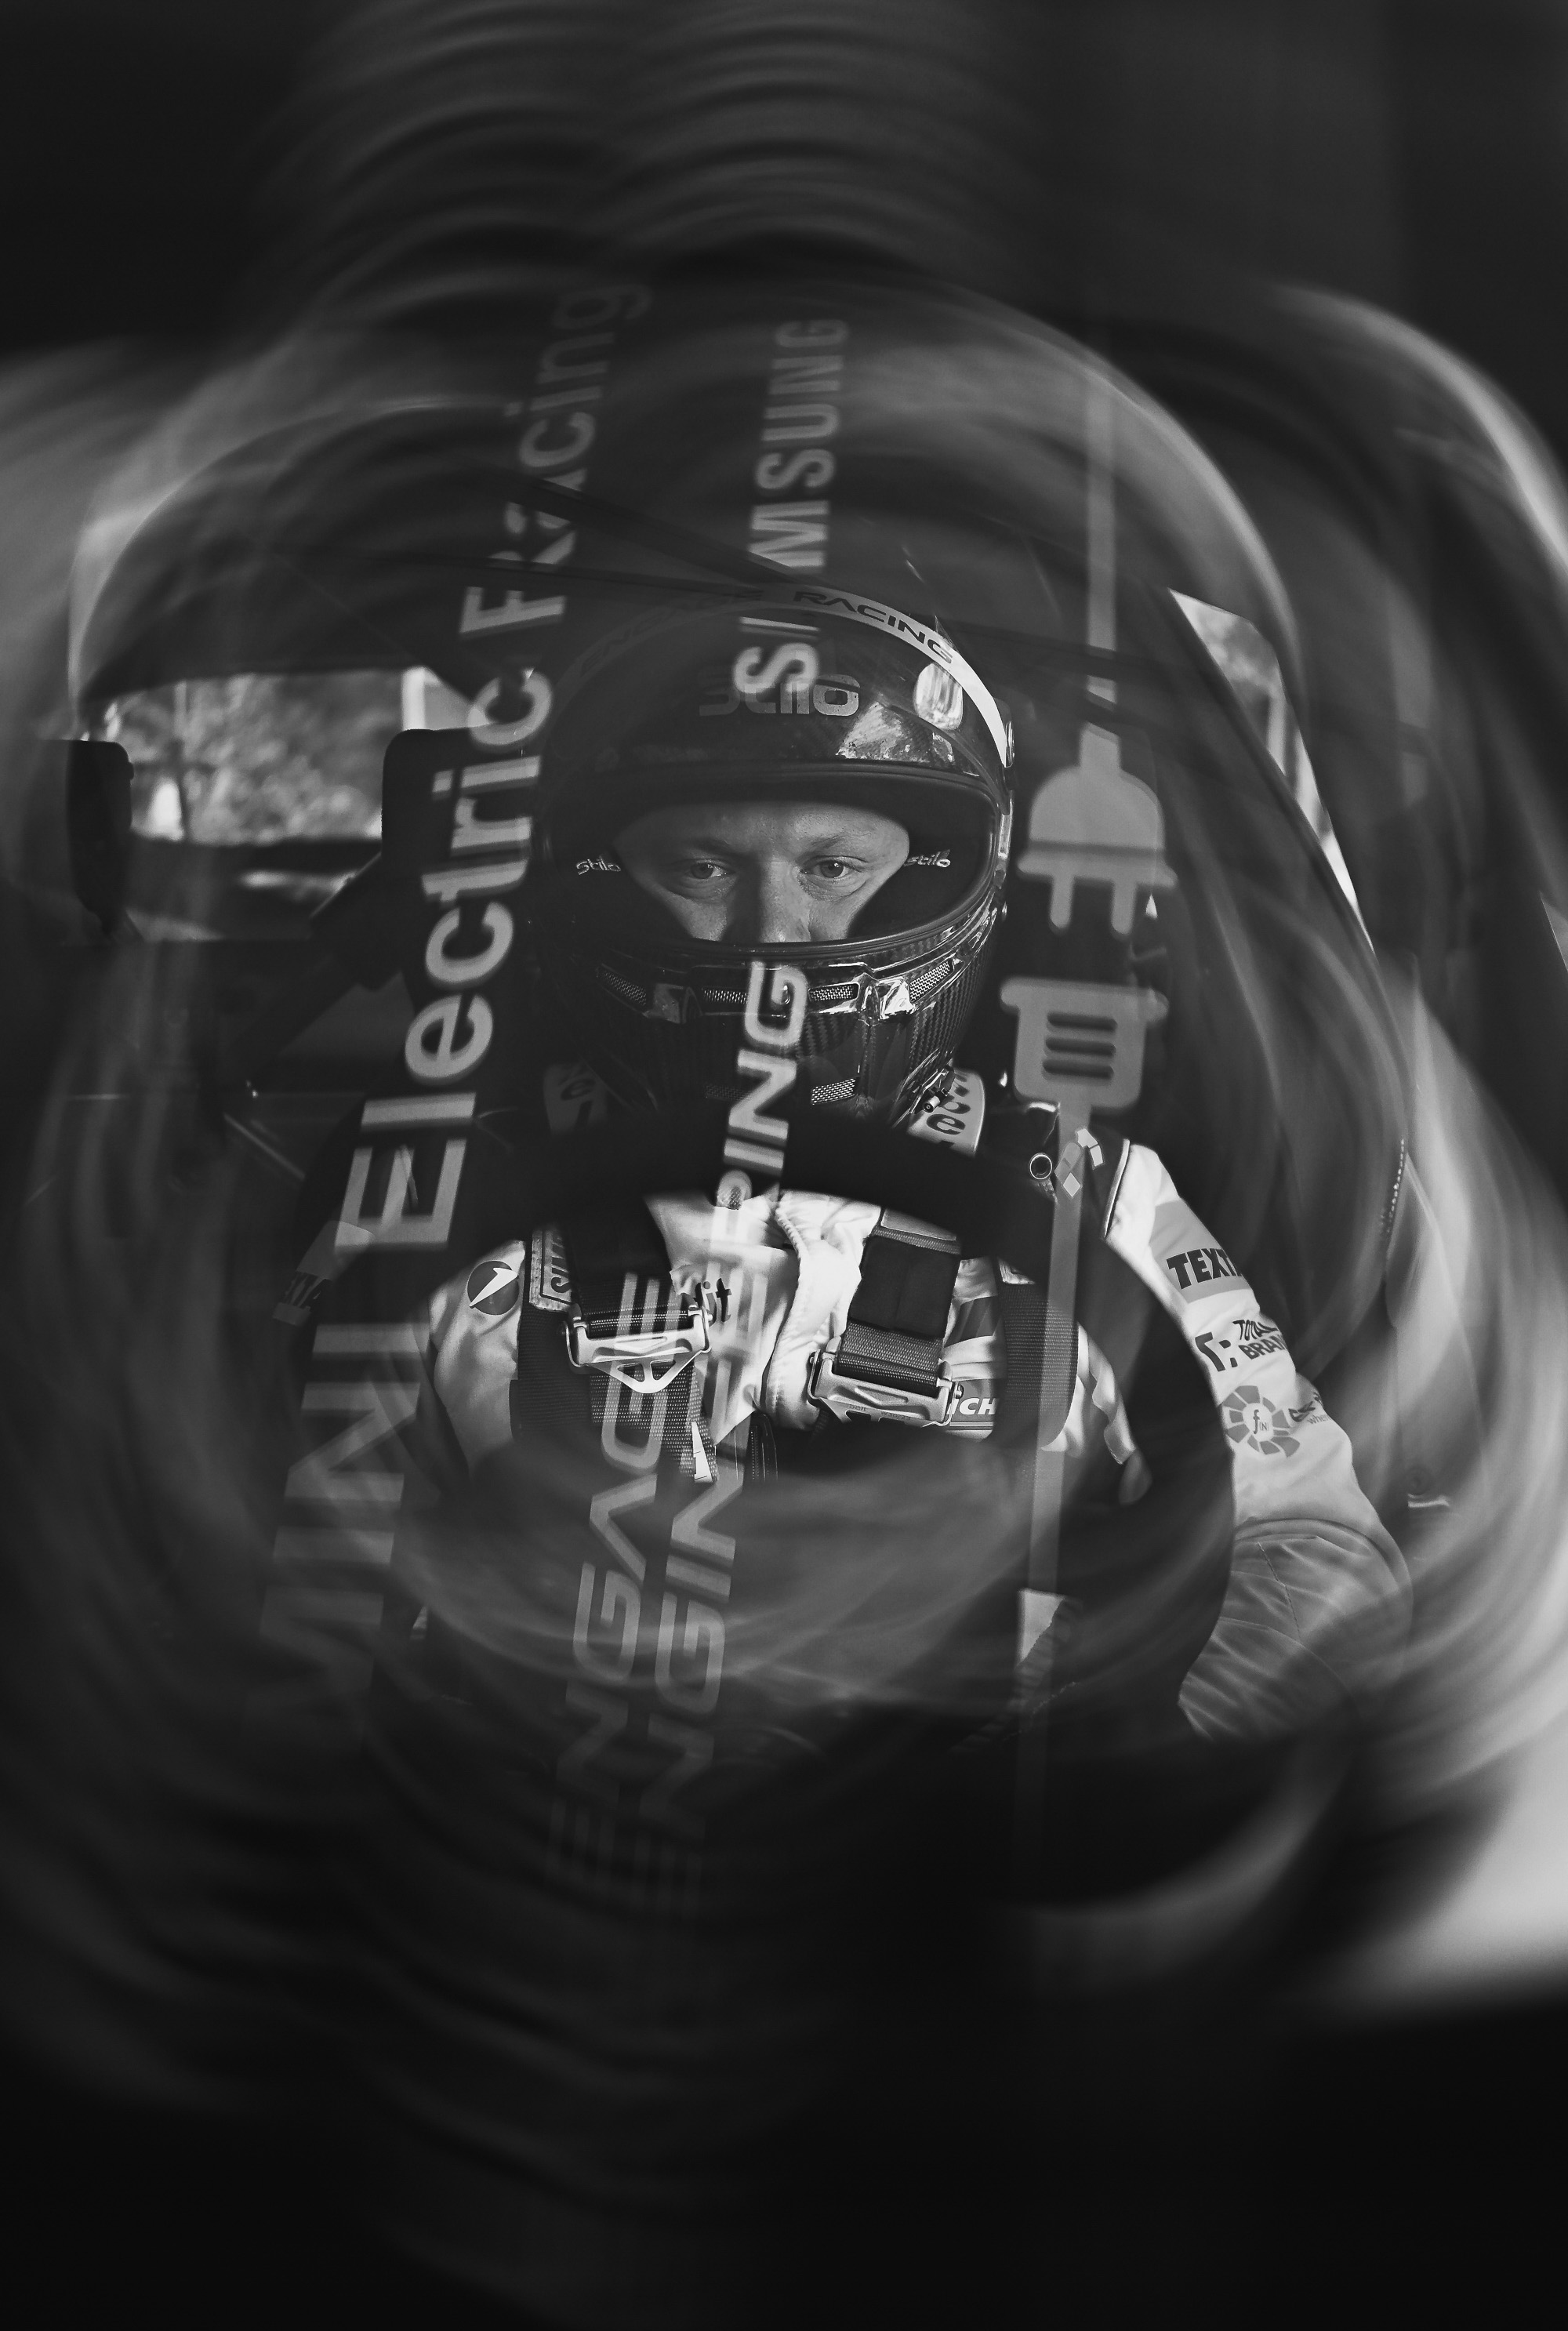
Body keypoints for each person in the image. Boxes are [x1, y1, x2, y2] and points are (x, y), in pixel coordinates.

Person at [409, 590, 1410, 1759]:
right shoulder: (444, 1205)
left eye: (833, 865)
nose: (776, 932)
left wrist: (1122, 1786)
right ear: (598, 879)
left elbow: (1316, 1555)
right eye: (702, 864)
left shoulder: (1088, 1195)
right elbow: (293, 1585)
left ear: (939, 876)